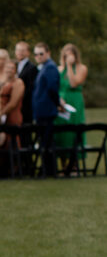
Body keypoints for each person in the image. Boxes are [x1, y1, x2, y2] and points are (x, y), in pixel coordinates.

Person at [55, 43, 88, 174]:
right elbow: (55, 87)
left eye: (70, 54)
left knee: (75, 130)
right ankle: (64, 163)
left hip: (75, 101)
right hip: (62, 102)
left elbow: (73, 83)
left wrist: (69, 66)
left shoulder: (81, 68)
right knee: (62, 132)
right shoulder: (58, 69)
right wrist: (58, 100)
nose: (68, 57)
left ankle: (74, 163)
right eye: (66, 54)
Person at [32, 42, 60, 177]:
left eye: (41, 53)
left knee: (47, 142)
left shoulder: (50, 68)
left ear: (48, 53)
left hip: (47, 110)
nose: (38, 56)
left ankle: (49, 171)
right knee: (44, 141)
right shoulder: (43, 68)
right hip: (41, 110)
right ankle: (46, 169)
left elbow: (52, 88)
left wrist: (58, 103)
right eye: (36, 54)